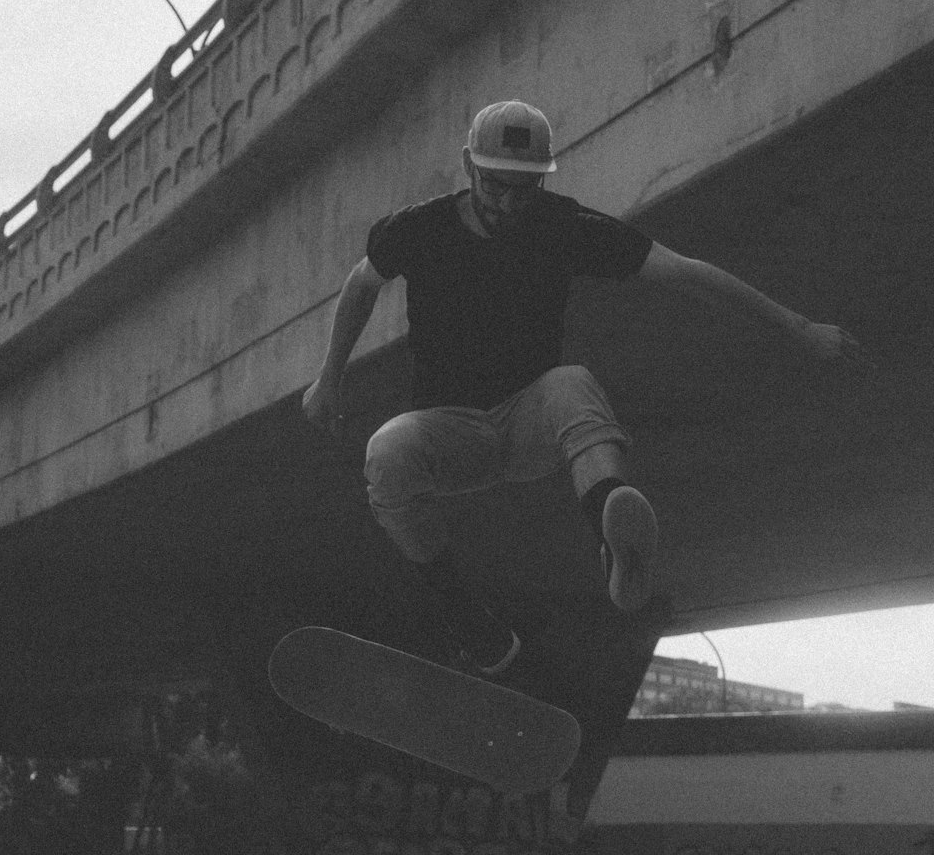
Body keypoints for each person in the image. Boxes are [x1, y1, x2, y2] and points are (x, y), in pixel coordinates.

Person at [302, 100, 869, 675]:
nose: (509, 204)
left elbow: (686, 272)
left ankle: (612, 536)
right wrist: (329, 379)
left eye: (525, 190)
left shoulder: (563, 226)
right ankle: (468, 619)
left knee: (570, 382)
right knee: (386, 452)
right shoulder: (417, 229)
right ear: (469, 168)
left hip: (532, 421)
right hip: (451, 431)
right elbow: (359, 288)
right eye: (496, 187)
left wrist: (798, 327)